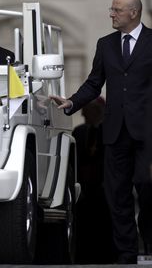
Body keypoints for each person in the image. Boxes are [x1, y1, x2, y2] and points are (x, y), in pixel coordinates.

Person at [50, 0, 152, 264]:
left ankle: (147, 236)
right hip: (116, 132)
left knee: (146, 184)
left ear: (133, 13)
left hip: (147, 132)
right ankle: (127, 254)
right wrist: (72, 101)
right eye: (111, 9)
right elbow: (95, 82)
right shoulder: (105, 44)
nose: (111, 14)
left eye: (117, 10)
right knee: (117, 195)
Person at [72, 97, 114, 263]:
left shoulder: (110, 130)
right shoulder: (79, 131)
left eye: (86, 110)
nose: (82, 113)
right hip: (85, 188)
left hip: (104, 187)